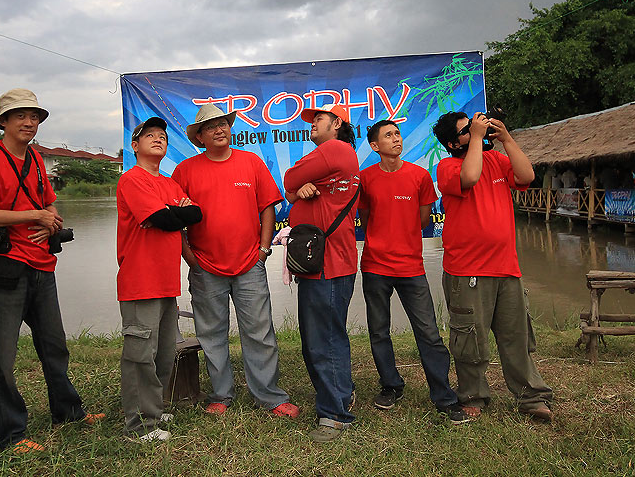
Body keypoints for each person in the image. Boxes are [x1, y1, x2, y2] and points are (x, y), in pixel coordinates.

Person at [0, 88, 103, 452]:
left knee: (54, 346)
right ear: (4, 123)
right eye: (20, 116)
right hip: (7, 267)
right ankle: (10, 434)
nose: (29, 122)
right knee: (1, 355)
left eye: (34, 117)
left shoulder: (37, 161)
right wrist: (35, 216)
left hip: (42, 264)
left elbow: (50, 206)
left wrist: (51, 222)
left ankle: (68, 412)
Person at [171, 104, 299, 419]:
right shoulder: (185, 171)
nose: (220, 129)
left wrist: (264, 249)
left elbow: (268, 207)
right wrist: (190, 258)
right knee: (211, 333)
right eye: (211, 126)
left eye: (224, 123)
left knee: (259, 331)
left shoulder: (251, 162)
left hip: (249, 265)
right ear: (199, 136)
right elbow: (175, 220)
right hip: (205, 267)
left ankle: (269, 396)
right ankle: (221, 395)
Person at [432, 111, 554, 422]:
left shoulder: (497, 161)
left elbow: (526, 177)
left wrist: (507, 139)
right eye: (466, 130)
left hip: (506, 267)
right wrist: (476, 138)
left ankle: (532, 397)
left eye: (476, 127)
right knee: (470, 338)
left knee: (516, 336)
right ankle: (473, 395)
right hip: (467, 270)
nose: (477, 131)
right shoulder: (447, 166)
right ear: (451, 142)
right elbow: (470, 178)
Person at [358, 120, 471, 424]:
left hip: (411, 266)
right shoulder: (365, 179)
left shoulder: (419, 176)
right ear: (374, 146)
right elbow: (366, 216)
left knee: (429, 333)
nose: (396, 139)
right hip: (375, 266)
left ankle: (444, 397)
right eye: (388, 136)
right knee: (379, 331)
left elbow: (423, 221)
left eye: (397, 134)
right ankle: (391, 385)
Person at [116, 116, 202, 442]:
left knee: (164, 351)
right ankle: (139, 425)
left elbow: (195, 214)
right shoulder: (132, 180)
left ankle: (155, 405)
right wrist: (169, 213)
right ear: (135, 146)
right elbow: (162, 218)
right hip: (140, 281)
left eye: (162, 136)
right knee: (140, 354)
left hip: (167, 281)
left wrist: (170, 213)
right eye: (149, 135)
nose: (158, 139)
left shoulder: (168, 183)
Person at [282, 104, 360, 443]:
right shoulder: (337, 160)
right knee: (331, 335)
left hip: (326, 263)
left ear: (337, 123)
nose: (313, 125)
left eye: (319, 119)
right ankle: (342, 395)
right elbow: (292, 189)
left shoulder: (334, 149)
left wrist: (297, 183)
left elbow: (288, 178)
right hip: (332, 261)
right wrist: (301, 189)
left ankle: (335, 415)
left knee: (321, 341)